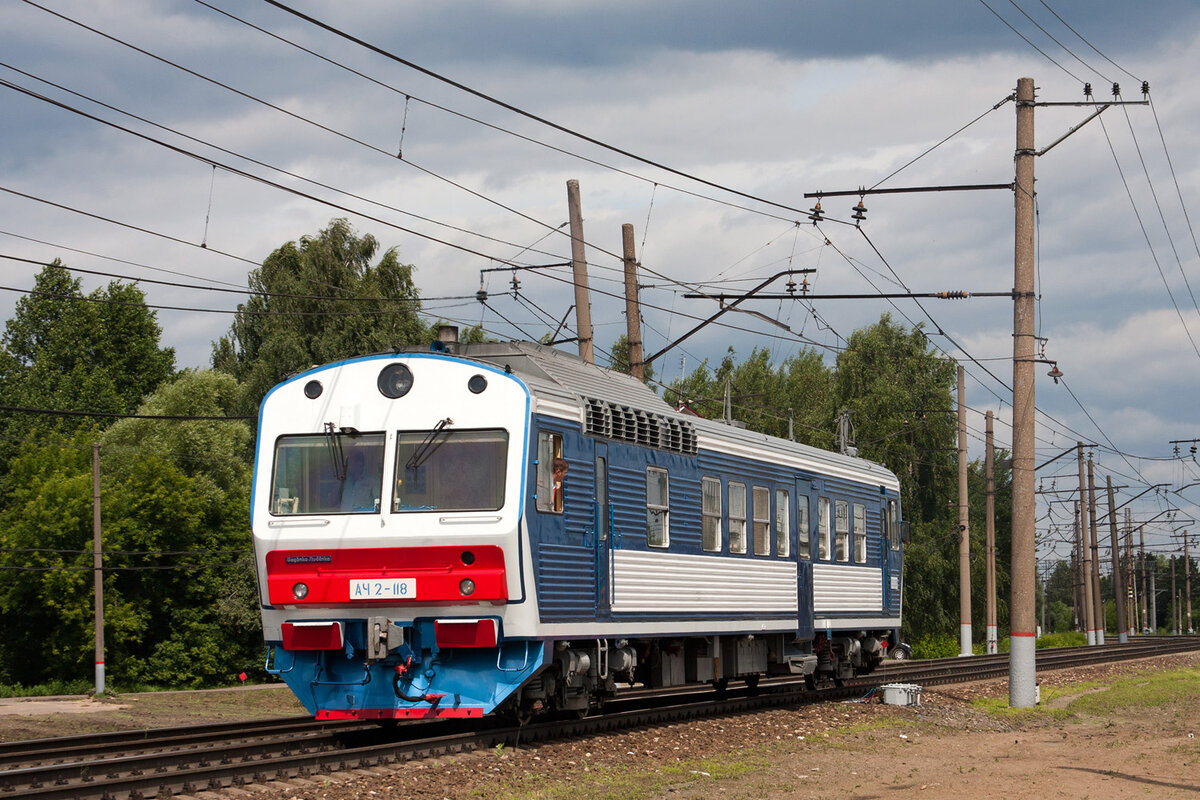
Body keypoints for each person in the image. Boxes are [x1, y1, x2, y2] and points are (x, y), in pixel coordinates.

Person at [340, 448, 379, 512]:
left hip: (363, 520)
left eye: (350, 462)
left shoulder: (372, 481)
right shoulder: (345, 481)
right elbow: (333, 501)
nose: (347, 465)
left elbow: (378, 504)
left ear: (359, 463)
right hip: (343, 519)